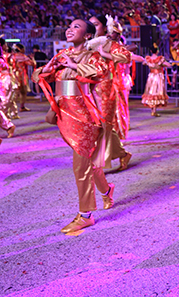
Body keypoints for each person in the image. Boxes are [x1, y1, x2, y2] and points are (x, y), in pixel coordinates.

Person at [32, 19, 115, 233]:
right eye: (69, 26)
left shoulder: (92, 56)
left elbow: (101, 74)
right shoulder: (61, 55)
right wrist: (45, 69)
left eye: (76, 26)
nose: (70, 28)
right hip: (63, 112)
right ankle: (106, 191)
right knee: (88, 161)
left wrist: (74, 65)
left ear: (87, 35)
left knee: (80, 164)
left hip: (83, 115)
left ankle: (85, 214)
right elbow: (38, 77)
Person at [88, 15, 133, 171]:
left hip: (106, 88)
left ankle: (99, 164)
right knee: (97, 125)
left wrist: (106, 54)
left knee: (104, 124)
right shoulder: (89, 45)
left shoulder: (109, 44)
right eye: (90, 24)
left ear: (105, 27)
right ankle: (121, 153)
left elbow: (126, 57)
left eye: (96, 24)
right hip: (90, 88)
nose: (92, 27)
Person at [139, 44, 171, 117]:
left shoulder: (148, 59)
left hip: (151, 76)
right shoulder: (159, 59)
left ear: (151, 51)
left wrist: (149, 64)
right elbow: (168, 65)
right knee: (156, 92)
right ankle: (154, 110)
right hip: (158, 76)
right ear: (157, 51)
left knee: (151, 92)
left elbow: (144, 63)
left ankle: (153, 110)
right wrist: (166, 64)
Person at [10, 44, 35, 113]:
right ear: (21, 49)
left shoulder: (12, 56)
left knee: (14, 93)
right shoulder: (23, 57)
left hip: (13, 76)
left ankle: (11, 108)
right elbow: (32, 63)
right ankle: (21, 107)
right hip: (21, 76)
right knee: (22, 92)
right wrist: (32, 58)